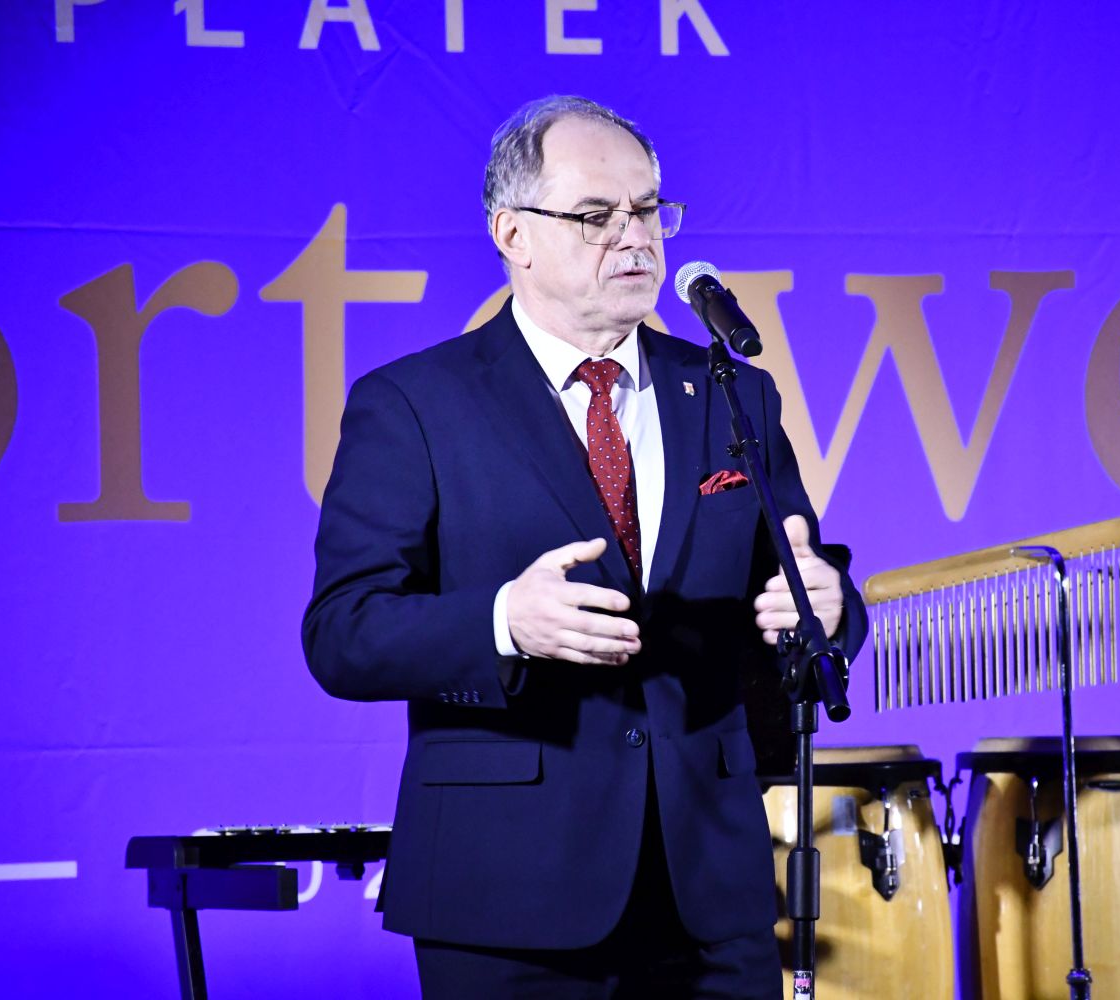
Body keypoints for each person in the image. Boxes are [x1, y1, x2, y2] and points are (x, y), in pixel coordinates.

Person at [302, 94, 867, 999]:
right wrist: (504, 622)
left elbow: (806, 576)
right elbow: (343, 632)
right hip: (507, 894)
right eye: (597, 215)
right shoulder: (413, 404)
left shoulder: (732, 393)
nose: (634, 237)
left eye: (648, 209)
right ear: (513, 234)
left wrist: (827, 607)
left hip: (709, 892)